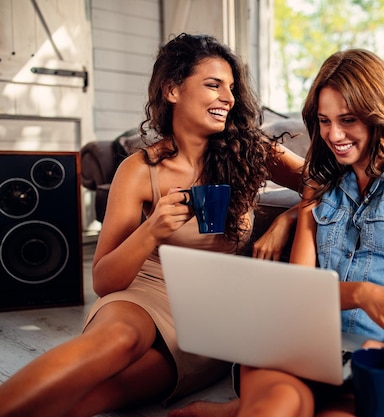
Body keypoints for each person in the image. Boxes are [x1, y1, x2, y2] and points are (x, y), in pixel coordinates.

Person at [0, 33, 303, 417]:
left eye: (231, 87)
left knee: (104, 395)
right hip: (147, 291)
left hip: (215, 311)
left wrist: (287, 218)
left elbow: (325, 187)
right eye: (213, 84)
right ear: (173, 89)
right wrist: (152, 230)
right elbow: (105, 280)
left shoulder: (253, 152)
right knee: (117, 340)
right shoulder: (140, 170)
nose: (228, 97)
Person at [170, 49, 384, 417]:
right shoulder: (318, 186)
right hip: (298, 346)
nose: (333, 135)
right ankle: (251, 406)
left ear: (378, 114)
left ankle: (233, 410)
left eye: (348, 119)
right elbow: (299, 296)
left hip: (374, 361)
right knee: (275, 409)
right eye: (324, 121)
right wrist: (361, 293)